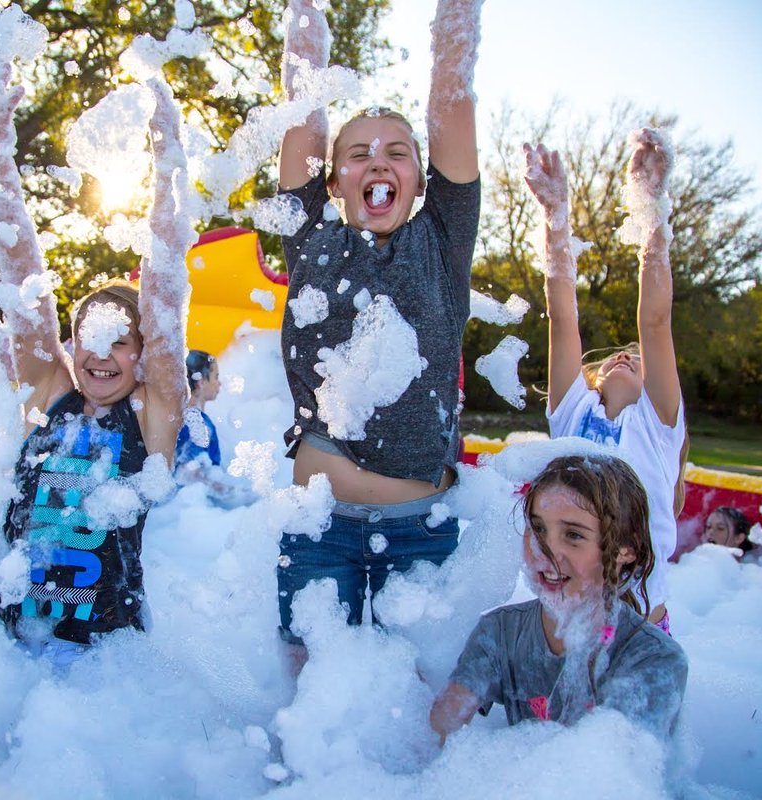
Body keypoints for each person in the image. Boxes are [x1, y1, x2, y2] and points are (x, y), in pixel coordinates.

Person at [273, 0, 484, 662]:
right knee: (313, 708)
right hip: (319, 527)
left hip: (422, 529)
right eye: (358, 155)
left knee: (416, 707)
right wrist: (304, 31)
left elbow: (453, 110)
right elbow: (302, 122)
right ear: (335, 182)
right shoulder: (309, 240)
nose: (378, 163)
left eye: (398, 153)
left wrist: (457, 22)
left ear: (420, 179)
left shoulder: (443, 242)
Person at [0, 63, 192, 662]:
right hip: (15, 649)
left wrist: (167, 160)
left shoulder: (150, 416)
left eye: (122, 341)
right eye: (91, 338)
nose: (102, 355)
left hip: (107, 663)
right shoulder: (51, 396)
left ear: (142, 356)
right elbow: (21, 280)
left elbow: (166, 301)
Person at [524, 131, 686, 633]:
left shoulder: (659, 427)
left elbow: (656, 323)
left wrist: (650, 206)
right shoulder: (574, 414)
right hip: (566, 622)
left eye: (636, 360)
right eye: (619, 355)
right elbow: (561, 318)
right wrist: (555, 218)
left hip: (640, 628)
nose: (625, 355)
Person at [430, 454, 688, 742]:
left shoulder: (652, 658)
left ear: (625, 550)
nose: (544, 551)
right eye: (538, 528)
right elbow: (443, 728)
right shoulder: (499, 632)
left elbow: (624, 774)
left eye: (573, 535)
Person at [175, 350, 222, 469]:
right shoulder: (200, 424)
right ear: (200, 382)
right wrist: (231, 488)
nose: (219, 383)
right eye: (215, 377)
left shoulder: (174, 417)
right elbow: (191, 473)